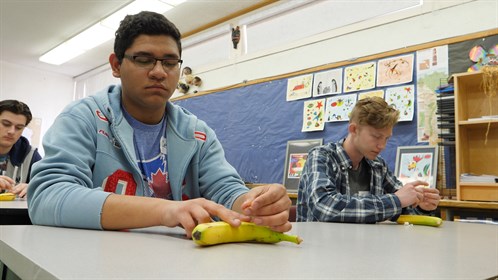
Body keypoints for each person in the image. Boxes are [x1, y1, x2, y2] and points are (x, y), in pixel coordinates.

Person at [28, 11, 291, 237]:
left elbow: (225, 189)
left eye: (170, 62)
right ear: (116, 65)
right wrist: (166, 210)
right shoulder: (84, 117)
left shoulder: (197, 133)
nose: (158, 71)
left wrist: (255, 203)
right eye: (143, 59)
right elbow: (47, 197)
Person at [297, 97, 440, 223]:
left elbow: (403, 208)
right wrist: (396, 200)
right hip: (320, 248)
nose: (382, 146)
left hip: (365, 248)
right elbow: (324, 206)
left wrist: (422, 207)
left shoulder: (378, 166)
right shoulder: (321, 157)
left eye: (386, 138)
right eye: (376, 137)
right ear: (354, 129)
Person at [0, 100, 42, 198]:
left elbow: (50, 186)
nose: (11, 131)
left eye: (19, 128)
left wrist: (34, 188)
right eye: (6, 124)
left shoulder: (31, 155)